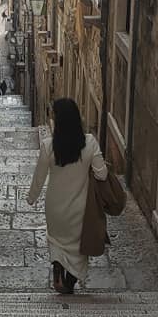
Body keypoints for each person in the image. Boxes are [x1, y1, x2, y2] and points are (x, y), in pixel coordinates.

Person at [27, 97, 107, 294]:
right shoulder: (90, 143)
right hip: (80, 208)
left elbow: (39, 177)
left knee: (56, 239)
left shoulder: (48, 146)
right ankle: (69, 282)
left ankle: (57, 267)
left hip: (55, 208)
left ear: (58, 120)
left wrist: (32, 197)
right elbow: (102, 174)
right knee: (77, 244)